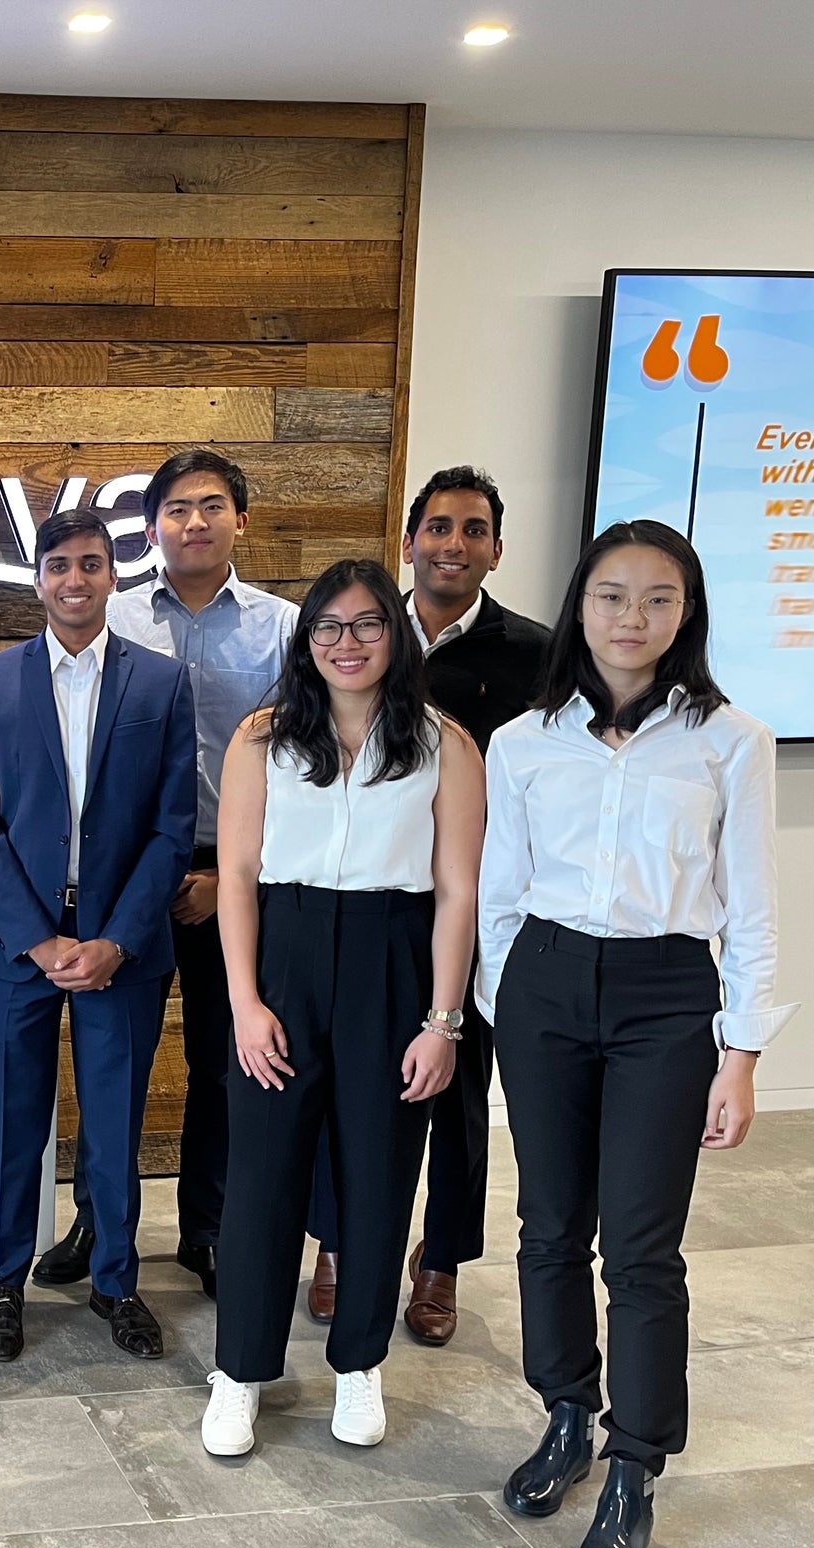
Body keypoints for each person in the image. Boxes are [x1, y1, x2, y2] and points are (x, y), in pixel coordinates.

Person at [482, 520, 793, 1548]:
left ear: (685, 614)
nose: (630, 618)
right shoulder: (524, 740)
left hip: (667, 993)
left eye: (656, 599)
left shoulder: (730, 741)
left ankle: (632, 1466)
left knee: (643, 1248)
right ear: (579, 606)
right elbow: (494, 892)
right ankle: (565, 1413)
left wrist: (739, 1050)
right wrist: (504, 1004)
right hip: (544, 986)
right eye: (611, 596)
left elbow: (749, 908)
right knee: (547, 1224)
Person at [200, 561, 484, 1460]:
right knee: (262, 1178)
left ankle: (358, 1362)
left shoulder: (446, 743)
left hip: (392, 958)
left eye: (366, 625)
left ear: (393, 636)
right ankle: (240, 1371)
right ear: (305, 639)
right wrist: (244, 1003)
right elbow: (236, 877)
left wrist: (442, 1023)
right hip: (282, 956)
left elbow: (457, 892)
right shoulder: (262, 738)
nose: (347, 643)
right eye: (328, 626)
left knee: (376, 1170)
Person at [306, 467, 551, 1341]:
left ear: (495, 548)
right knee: (347, 1083)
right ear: (407, 542)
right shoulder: (361, 633)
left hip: (480, 907)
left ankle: (438, 1259)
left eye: (472, 529)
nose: (453, 543)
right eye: (437, 527)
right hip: (375, 901)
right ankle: (335, 1241)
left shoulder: (534, 653)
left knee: (457, 1086)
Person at [0, 508, 196, 1364]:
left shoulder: (160, 685)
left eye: (90, 564)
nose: (74, 580)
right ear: (38, 581)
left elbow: (172, 828)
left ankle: (116, 1281)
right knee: (16, 1125)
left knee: (113, 1128)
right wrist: (36, 939)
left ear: (111, 577)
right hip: (17, 948)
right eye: (58, 565)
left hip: (119, 951)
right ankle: (2, 1283)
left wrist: (116, 941)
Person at [98, 449, 297, 1300]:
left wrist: (234, 877)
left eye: (211, 505)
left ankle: (206, 1229)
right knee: (116, 1060)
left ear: (239, 520)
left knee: (224, 1061)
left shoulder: (284, 627)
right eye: (176, 509)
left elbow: (301, 763)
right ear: (152, 528)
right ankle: (96, 1222)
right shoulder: (107, 616)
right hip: (125, 869)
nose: (194, 522)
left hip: (235, 868)